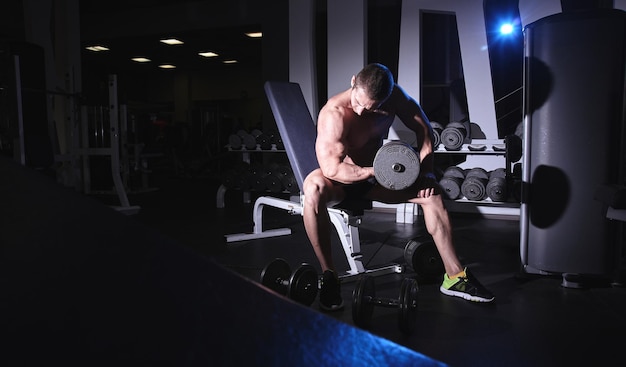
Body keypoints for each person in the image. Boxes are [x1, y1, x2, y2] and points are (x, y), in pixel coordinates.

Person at [302, 63, 495, 312]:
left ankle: (455, 277)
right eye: (358, 103)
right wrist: (381, 170)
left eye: (370, 107)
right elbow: (331, 169)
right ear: (353, 82)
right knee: (313, 186)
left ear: (385, 99)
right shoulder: (334, 113)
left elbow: (424, 131)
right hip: (341, 181)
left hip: (378, 180)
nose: (360, 111)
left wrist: (426, 173)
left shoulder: (396, 99)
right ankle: (329, 275)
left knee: (432, 195)